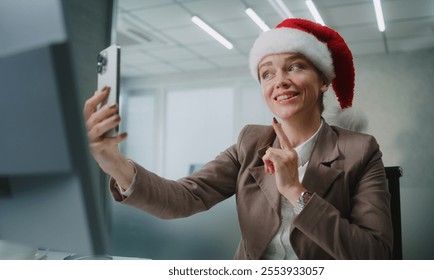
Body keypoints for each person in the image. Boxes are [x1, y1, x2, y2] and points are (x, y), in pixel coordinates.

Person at [84, 18, 393, 259]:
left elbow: (374, 255)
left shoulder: (360, 150)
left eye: (295, 66)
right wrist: (116, 164)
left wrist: (296, 193)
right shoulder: (251, 143)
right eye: (267, 73)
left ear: (324, 80)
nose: (280, 81)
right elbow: (185, 197)